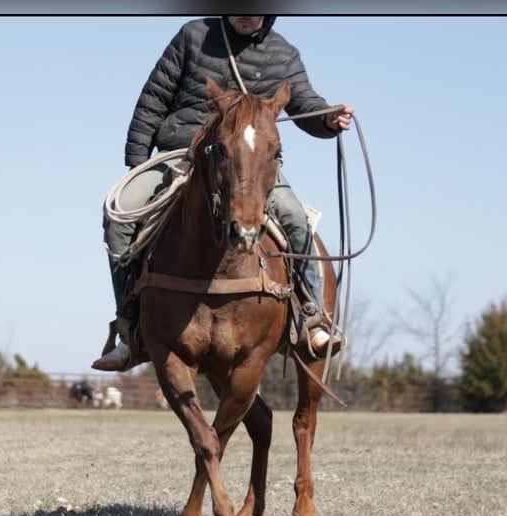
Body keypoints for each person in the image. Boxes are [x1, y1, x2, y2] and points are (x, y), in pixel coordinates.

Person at [92, 16, 354, 371]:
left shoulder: (284, 53)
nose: (246, 15)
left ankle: (311, 316)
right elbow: (154, 98)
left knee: (294, 218)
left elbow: (304, 102)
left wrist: (327, 120)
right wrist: (137, 162)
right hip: (182, 154)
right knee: (119, 213)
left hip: (250, 164)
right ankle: (129, 325)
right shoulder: (193, 35)